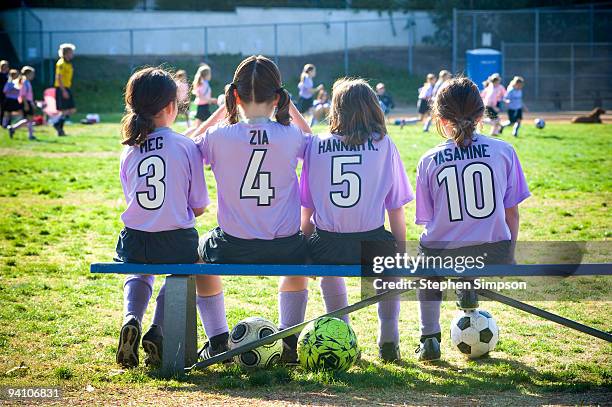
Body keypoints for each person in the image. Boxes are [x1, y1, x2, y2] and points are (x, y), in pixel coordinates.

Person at [190, 55, 313, 359]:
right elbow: (313, 141)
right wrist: (290, 105)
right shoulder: (290, 135)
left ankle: (218, 340)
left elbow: (191, 145)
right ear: (277, 98)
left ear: (235, 96)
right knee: (300, 258)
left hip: (233, 244)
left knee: (196, 255)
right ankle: (288, 340)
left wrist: (223, 108)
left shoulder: (218, 136)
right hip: (284, 245)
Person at [294, 78, 414, 363]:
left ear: (336, 111)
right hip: (372, 240)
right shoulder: (384, 144)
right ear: (373, 108)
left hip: (327, 243)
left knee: (329, 270)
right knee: (389, 272)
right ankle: (388, 335)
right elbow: (396, 208)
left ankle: (343, 331)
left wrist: (305, 247)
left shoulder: (317, 144)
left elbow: (307, 209)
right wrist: (400, 251)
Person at [114, 67, 226, 368]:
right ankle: (157, 328)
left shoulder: (128, 150)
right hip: (175, 239)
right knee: (182, 270)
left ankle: (131, 317)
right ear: (170, 107)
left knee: (140, 270)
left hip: (134, 240)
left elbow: (131, 198)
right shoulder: (186, 147)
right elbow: (200, 206)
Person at [414, 77, 530, 362]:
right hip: (493, 252)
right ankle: (467, 285)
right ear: (481, 115)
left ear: (440, 119)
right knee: (476, 239)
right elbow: (511, 213)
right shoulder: (505, 151)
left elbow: (427, 219)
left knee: (428, 261)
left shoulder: (429, 159)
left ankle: (429, 338)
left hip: (442, 254)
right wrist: (510, 254)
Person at [53, 43, 76, 136]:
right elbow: (58, 78)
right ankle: (59, 127)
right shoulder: (61, 63)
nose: (72, 54)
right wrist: (63, 91)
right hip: (61, 88)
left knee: (71, 110)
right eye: (71, 53)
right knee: (65, 110)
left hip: (66, 87)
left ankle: (58, 125)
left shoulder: (68, 63)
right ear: (66, 53)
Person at [8, 66, 36, 140]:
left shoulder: (27, 82)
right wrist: (26, 104)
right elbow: (23, 95)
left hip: (29, 102)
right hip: (26, 102)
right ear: (27, 74)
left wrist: (32, 103)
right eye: (31, 74)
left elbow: (29, 94)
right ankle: (30, 135)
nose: (33, 76)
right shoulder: (24, 83)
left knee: (29, 119)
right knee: (29, 119)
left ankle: (13, 128)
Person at [192, 64, 217, 128]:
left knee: (198, 126)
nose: (210, 75)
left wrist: (210, 100)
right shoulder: (203, 83)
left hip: (204, 106)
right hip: (202, 107)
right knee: (210, 123)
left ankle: (190, 136)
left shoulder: (204, 83)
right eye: (209, 74)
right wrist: (210, 100)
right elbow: (200, 96)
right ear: (206, 75)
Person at [0, 60, 9, 128]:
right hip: (1, 93)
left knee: (5, 109)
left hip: (6, 94)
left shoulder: (7, 75)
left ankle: (5, 123)